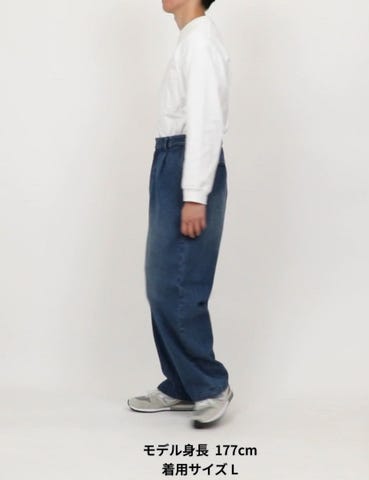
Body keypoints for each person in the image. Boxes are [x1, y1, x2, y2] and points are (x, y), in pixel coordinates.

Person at [127, 0, 233, 428]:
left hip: (187, 161)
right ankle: (182, 384)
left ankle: (209, 385)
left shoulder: (201, 41)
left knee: (179, 284)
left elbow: (207, 120)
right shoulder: (190, 40)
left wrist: (195, 194)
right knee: (162, 283)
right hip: (171, 158)